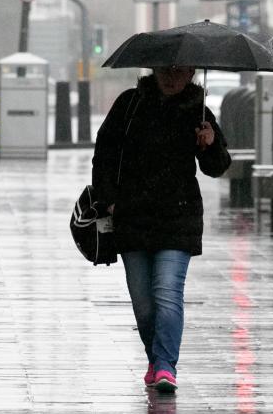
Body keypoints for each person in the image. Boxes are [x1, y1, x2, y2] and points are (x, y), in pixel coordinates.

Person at [91, 65, 231, 393]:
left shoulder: (198, 112)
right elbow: (104, 154)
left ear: (191, 72)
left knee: (168, 292)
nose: (171, 77)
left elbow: (218, 167)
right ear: (153, 69)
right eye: (165, 70)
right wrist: (110, 201)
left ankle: (166, 365)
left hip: (177, 217)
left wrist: (209, 144)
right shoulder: (130, 104)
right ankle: (154, 357)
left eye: (179, 71)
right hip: (133, 216)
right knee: (143, 301)